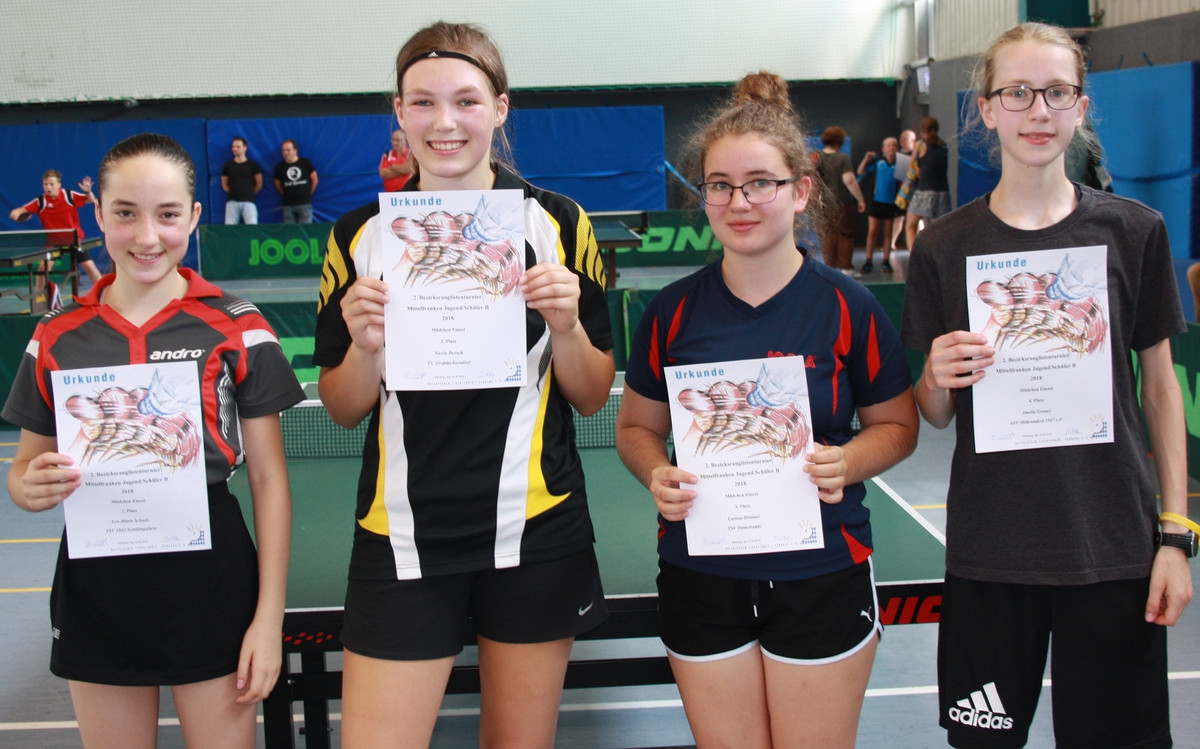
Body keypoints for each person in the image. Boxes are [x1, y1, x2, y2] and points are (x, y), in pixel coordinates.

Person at [313, 22, 615, 748]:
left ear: (500, 108)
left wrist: (567, 326)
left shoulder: (559, 222)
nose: (444, 122)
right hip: (400, 533)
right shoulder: (359, 234)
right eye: (423, 102)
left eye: (466, 101)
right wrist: (364, 347)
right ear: (399, 111)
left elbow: (592, 394)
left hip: (535, 527)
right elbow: (343, 407)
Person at [901, 22, 1193, 748]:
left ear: (1081, 107)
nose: (1038, 111)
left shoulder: (1135, 231)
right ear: (987, 108)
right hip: (990, 552)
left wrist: (1176, 537)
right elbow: (934, 412)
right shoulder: (944, 246)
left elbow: (1161, 391)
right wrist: (936, 376)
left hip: (1113, 546)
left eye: (1058, 92)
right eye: (1018, 93)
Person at [615, 71, 918, 748]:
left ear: (801, 190)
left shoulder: (849, 306)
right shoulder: (671, 312)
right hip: (701, 571)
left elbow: (898, 427)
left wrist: (848, 460)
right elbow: (634, 427)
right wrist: (655, 472)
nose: (739, 201)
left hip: (822, 571)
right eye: (720, 185)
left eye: (760, 183)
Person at [3, 133, 304, 748]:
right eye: (125, 213)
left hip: (211, 581)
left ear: (193, 217)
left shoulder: (239, 325)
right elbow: (24, 468)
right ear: (98, 215)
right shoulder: (55, 334)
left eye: (167, 215)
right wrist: (27, 488)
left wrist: (268, 618)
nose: (147, 236)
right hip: (97, 586)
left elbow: (269, 479)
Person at [9, 169, 102, 286]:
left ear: (59, 184)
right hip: (54, 242)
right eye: (45, 184)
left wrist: (88, 192)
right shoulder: (41, 202)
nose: (48, 187)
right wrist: (18, 215)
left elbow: (89, 199)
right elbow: (17, 212)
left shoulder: (68, 196)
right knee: (43, 269)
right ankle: (41, 295)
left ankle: (103, 292)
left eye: (52, 184)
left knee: (89, 267)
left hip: (75, 239)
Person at [815, 126, 867, 277]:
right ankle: (846, 268)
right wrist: (861, 199)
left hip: (823, 205)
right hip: (842, 203)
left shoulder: (818, 157)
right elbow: (849, 180)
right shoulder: (842, 158)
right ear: (841, 141)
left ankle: (829, 268)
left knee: (827, 236)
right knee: (845, 234)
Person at [903, 117, 951, 252]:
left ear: (922, 131)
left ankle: (915, 257)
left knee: (910, 226)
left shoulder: (920, 145)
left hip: (925, 191)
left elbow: (912, 167)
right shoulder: (944, 145)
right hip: (943, 193)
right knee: (936, 230)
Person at [856, 136, 901, 273]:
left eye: (894, 145)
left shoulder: (900, 164)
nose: (891, 148)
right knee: (872, 231)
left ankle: (886, 261)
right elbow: (860, 172)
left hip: (891, 203)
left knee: (888, 232)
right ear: (883, 149)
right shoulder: (878, 163)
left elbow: (905, 182)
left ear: (897, 148)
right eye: (888, 145)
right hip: (876, 202)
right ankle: (868, 260)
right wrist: (866, 159)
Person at [273, 139, 318, 223]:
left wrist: (308, 193)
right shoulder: (279, 167)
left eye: (288, 150)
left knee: (305, 229)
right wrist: (286, 193)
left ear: (295, 150)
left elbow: (314, 180)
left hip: (304, 203)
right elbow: (277, 184)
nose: (286, 153)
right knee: (290, 230)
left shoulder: (305, 163)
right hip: (288, 205)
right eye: (284, 150)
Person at [221, 136, 263, 224]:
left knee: (252, 226)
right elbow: (224, 183)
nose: (235, 149)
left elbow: (259, 184)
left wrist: (249, 193)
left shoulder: (253, 165)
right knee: (229, 228)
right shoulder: (228, 166)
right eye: (233, 146)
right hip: (232, 202)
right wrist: (232, 192)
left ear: (245, 148)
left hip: (249, 201)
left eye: (238, 147)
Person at [892, 128, 917, 250]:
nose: (902, 140)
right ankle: (892, 243)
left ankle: (917, 245)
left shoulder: (917, 156)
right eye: (901, 138)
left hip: (914, 193)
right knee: (898, 218)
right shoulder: (896, 155)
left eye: (905, 138)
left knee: (916, 220)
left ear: (912, 141)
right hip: (900, 193)